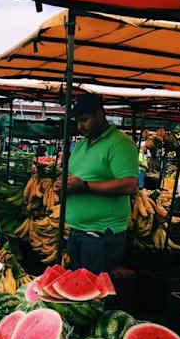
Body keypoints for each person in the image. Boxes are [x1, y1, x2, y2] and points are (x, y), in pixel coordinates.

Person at [59, 94, 138, 274]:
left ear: (100, 114)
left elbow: (129, 185)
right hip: (76, 230)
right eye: (78, 121)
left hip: (101, 234)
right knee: (78, 287)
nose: (80, 126)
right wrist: (63, 184)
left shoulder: (120, 143)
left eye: (85, 120)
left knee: (95, 293)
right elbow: (75, 177)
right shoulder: (80, 145)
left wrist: (85, 186)